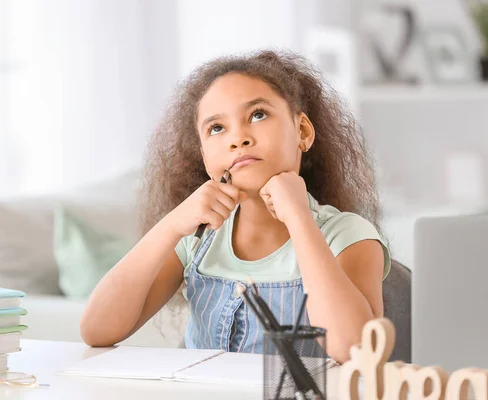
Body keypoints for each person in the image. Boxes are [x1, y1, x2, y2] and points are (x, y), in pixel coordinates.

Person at [80, 50, 391, 364]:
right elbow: (97, 330)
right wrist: (172, 224)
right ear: (204, 156)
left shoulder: (348, 235)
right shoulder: (196, 239)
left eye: (257, 115)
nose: (238, 138)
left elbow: (356, 351)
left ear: (303, 131)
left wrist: (298, 218)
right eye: (216, 128)